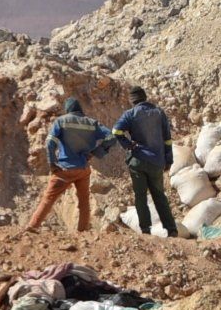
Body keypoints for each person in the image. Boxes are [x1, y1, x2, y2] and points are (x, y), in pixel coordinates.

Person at [22, 98, 115, 234]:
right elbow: (112, 137)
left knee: (49, 198)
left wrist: (52, 163)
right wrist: (96, 152)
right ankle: (82, 231)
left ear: (68, 109)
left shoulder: (61, 121)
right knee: (84, 201)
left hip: (64, 169)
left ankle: (32, 226)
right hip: (83, 169)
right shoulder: (91, 123)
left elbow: (49, 143)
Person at [111, 86, 178, 236]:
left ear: (132, 100)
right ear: (145, 97)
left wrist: (129, 145)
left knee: (140, 196)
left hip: (138, 161)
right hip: (157, 162)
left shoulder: (130, 114)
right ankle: (171, 229)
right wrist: (169, 160)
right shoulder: (159, 113)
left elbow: (116, 131)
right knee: (159, 195)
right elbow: (167, 139)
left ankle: (146, 230)